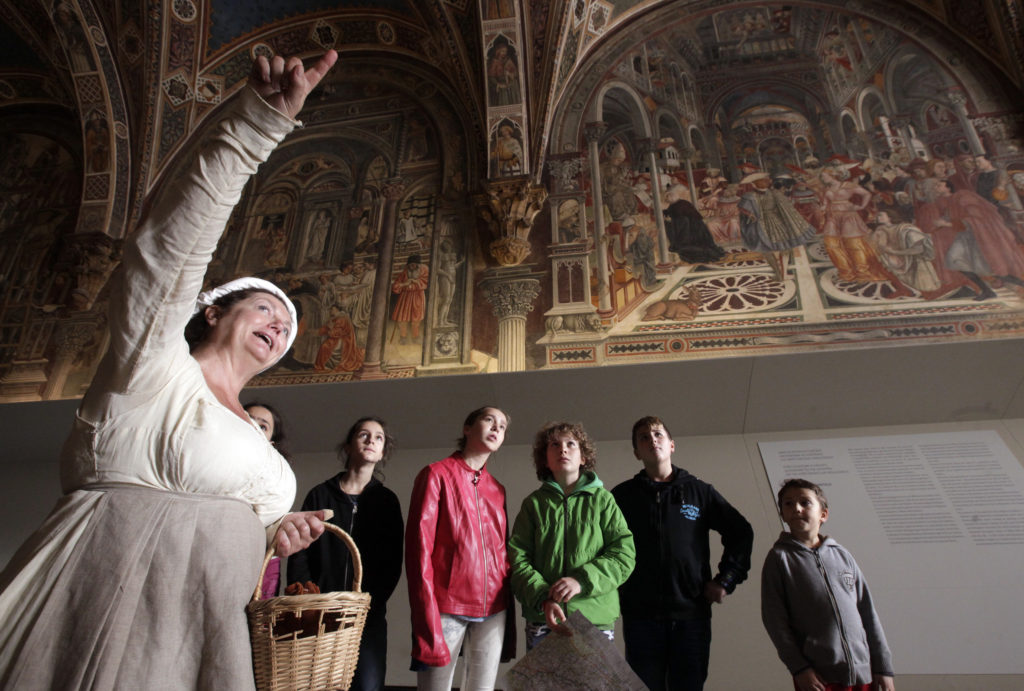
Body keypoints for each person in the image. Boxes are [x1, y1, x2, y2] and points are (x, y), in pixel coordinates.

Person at [0, 49, 339, 689]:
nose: (280, 325)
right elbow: (168, 251)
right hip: (106, 585)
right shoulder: (153, 367)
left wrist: (278, 530)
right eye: (266, 308)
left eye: (288, 327)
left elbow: (245, 522)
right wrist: (252, 130)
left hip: (206, 624)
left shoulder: (261, 441)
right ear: (212, 313)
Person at [612, 416, 754, 691]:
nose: (652, 439)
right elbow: (601, 547)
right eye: (643, 437)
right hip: (640, 618)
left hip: (691, 616)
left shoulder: (700, 492)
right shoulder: (621, 497)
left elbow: (741, 532)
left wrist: (726, 579)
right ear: (636, 452)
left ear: (671, 445)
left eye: (657, 434)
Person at [288, 417, 404, 691]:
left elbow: (392, 561)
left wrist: (367, 603)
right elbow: (299, 551)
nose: (371, 440)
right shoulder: (319, 495)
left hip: (367, 617)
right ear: (349, 445)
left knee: (367, 685)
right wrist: (308, 597)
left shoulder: (387, 501)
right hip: (317, 614)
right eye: (364, 434)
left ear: (383, 451)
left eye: (378, 437)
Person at [406, 406, 516, 691]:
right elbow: (419, 552)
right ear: (467, 428)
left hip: (494, 607)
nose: (496, 428)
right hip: (446, 606)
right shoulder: (435, 474)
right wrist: (426, 614)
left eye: (502, 426)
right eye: (489, 420)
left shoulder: (498, 489)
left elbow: (503, 553)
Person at [508, 421, 635, 649]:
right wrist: (543, 598)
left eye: (571, 444)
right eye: (554, 444)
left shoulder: (603, 500)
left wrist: (582, 581)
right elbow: (517, 559)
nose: (563, 449)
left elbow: (623, 555)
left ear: (583, 457)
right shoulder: (533, 504)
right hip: (544, 618)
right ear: (545, 459)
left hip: (595, 619)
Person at [761, 479, 895, 691]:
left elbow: (867, 612)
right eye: (788, 504)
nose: (796, 508)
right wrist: (799, 669)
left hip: (863, 673)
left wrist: (883, 668)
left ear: (823, 514)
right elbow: (775, 620)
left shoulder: (843, 555)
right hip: (818, 678)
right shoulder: (779, 559)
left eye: (805, 502)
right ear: (783, 515)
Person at [244, 401, 291, 600]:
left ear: (271, 442)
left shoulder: (279, 481)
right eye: (248, 419)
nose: (253, 427)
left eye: (263, 426)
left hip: (260, 564)